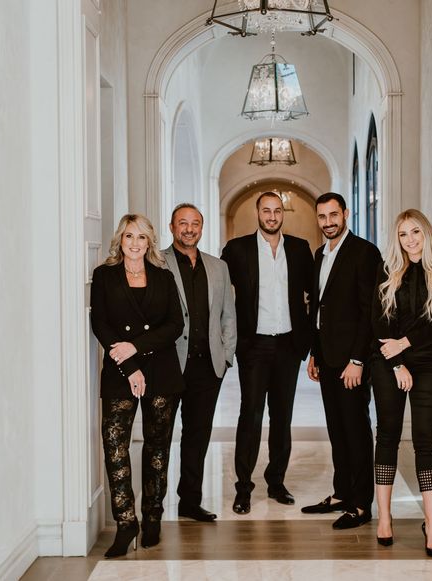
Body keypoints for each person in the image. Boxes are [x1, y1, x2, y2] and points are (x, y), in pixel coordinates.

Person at [90, 214, 185, 557]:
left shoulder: (163, 276)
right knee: (115, 447)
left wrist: (139, 347)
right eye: (129, 236)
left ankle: (153, 516)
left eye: (141, 238)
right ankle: (126, 521)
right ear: (121, 239)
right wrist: (130, 365)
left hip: (161, 370)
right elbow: (100, 323)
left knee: (157, 447)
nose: (134, 243)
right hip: (120, 372)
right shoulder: (104, 276)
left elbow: (176, 323)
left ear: (149, 243)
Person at [220, 192, 314, 514]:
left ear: (282, 214)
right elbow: (219, 294)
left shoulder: (300, 249)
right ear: (257, 213)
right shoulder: (237, 249)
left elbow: (314, 297)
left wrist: (309, 342)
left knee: (282, 417)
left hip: (288, 345)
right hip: (254, 345)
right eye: (266, 211)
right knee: (250, 416)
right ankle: (243, 488)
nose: (272, 216)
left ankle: (276, 482)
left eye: (277, 211)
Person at [370, 209, 432, 558]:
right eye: (403, 234)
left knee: (425, 440)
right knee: (388, 435)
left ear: (427, 233)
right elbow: (378, 323)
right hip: (388, 363)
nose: (410, 240)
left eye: (415, 232)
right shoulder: (388, 269)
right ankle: (385, 518)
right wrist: (396, 363)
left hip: (429, 361)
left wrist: (405, 346)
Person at [302, 192, 381, 530]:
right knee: (336, 429)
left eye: (334, 215)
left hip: (352, 361)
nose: (328, 222)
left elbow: (369, 313)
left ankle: (361, 504)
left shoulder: (365, 252)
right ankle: (341, 493)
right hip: (328, 357)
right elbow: (319, 309)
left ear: (345, 214)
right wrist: (315, 353)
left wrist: (358, 360)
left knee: (357, 430)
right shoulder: (320, 254)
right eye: (322, 217)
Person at [162, 203, 236, 522]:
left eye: (195, 223)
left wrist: (227, 354)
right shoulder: (156, 262)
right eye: (183, 223)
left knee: (197, 435)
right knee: (160, 436)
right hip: (168, 365)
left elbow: (227, 314)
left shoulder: (218, 267)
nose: (189, 228)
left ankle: (189, 501)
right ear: (172, 227)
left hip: (207, 367)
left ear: (201, 228)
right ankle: (153, 505)